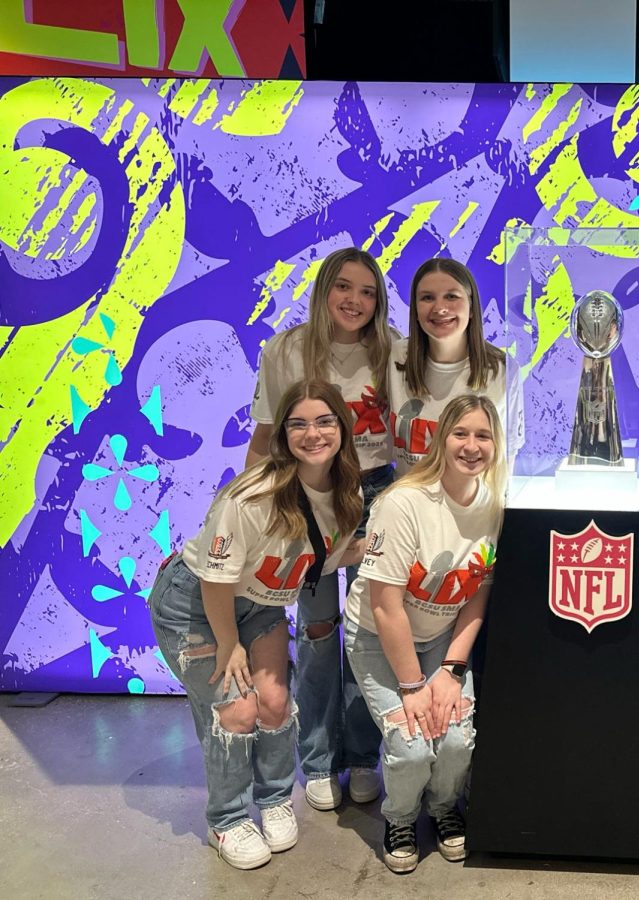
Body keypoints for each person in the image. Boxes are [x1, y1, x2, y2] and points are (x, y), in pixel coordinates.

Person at [149, 380, 363, 870]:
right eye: (299, 424)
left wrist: (377, 547)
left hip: (259, 604)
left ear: (343, 428)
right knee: (237, 711)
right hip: (197, 604)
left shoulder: (344, 489)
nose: (313, 434)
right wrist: (229, 643)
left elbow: (320, 557)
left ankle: (272, 799)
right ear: (282, 433)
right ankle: (225, 820)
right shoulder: (252, 495)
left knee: (272, 704)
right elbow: (215, 578)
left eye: (325, 421)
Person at [247, 247, 394, 811]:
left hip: (374, 491)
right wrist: (253, 505)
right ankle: (316, 759)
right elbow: (264, 438)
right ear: (324, 289)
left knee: (367, 631)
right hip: (303, 493)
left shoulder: (393, 354)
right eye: (344, 287)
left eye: (367, 291)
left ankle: (361, 756)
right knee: (315, 631)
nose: (355, 301)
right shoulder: (284, 351)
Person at [345, 394, 506, 874]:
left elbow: (477, 591)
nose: (472, 446)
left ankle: (443, 808)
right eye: (461, 434)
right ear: (441, 439)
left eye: (483, 435)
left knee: (455, 741)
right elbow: (384, 604)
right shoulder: (402, 503)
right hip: (378, 637)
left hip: (440, 639)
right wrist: (414, 686)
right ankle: (399, 817)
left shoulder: (495, 507)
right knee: (413, 744)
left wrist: (453, 669)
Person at [389, 257, 520, 477]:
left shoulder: (502, 370)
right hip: (410, 506)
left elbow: (507, 459)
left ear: (471, 307)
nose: (440, 308)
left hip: (474, 507)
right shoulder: (395, 357)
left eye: (451, 296)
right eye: (427, 298)